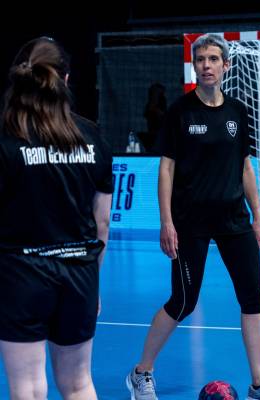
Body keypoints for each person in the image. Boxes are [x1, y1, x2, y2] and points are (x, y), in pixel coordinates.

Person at [126, 33, 260, 400]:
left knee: (253, 298)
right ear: (194, 66)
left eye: (213, 59)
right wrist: (166, 221)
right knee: (183, 301)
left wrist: (257, 216)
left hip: (234, 220)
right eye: (200, 60)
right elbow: (166, 169)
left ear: (226, 65)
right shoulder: (180, 112)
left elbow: (245, 166)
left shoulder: (238, 112)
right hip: (190, 221)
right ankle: (141, 372)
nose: (207, 65)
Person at [0, 37, 113, 400]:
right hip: (79, 274)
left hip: (22, 274)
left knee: (28, 388)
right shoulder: (92, 136)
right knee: (79, 384)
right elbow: (102, 223)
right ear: (65, 79)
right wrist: (93, 280)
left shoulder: (7, 137)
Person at [143, 82, 167, 152]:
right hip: (152, 132)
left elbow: (163, 115)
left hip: (160, 132)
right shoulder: (150, 104)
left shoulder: (162, 102)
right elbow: (147, 113)